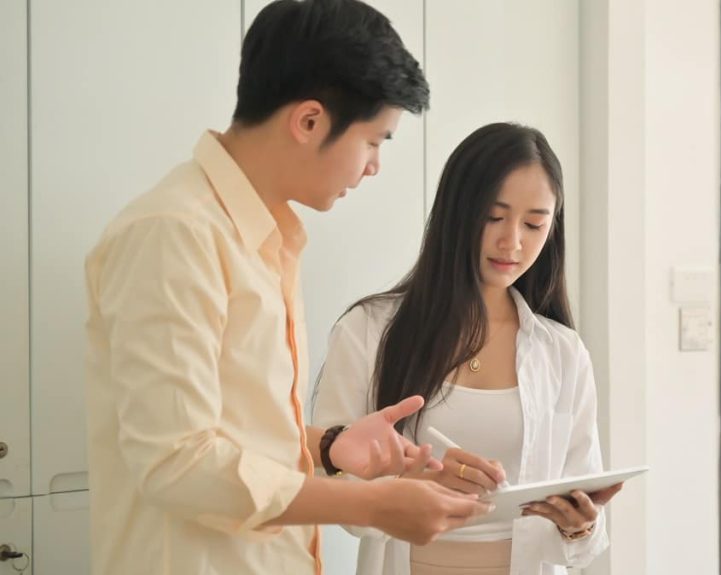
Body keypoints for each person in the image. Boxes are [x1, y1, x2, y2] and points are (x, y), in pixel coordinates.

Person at [84, 1, 489, 574]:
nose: (373, 166)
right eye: (375, 141)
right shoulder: (174, 233)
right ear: (309, 122)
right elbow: (177, 462)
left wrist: (326, 446)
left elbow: (229, 428)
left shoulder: (264, 237)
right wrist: (372, 505)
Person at [312, 123, 623, 575]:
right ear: (457, 213)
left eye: (535, 223)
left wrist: (580, 527)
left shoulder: (562, 352)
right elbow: (324, 483)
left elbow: (584, 527)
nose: (512, 242)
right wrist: (400, 482)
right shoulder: (369, 330)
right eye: (494, 217)